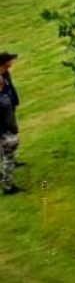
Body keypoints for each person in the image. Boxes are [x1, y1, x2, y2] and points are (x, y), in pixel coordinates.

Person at [0, 52, 21, 195]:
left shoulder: (5, 77)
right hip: (4, 131)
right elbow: (8, 119)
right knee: (9, 155)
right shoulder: (3, 100)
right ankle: (8, 186)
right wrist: (13, 129)